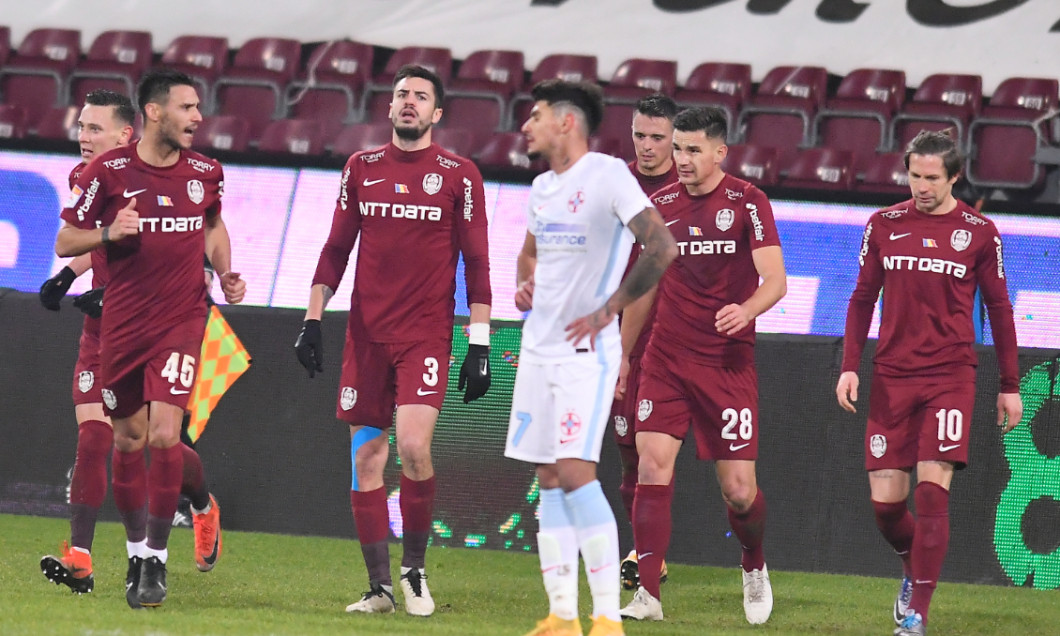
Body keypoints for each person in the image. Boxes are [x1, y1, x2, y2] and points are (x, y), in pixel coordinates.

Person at [294, 64, 492, 618]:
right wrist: (313, 319)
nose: (409, 102)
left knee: (412, 448)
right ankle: (380, 588)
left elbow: (477, 261)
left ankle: (415, 570)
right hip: (366, 337)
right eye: (401, 94)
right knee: (366, 462)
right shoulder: (361, 167)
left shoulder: (459, 174)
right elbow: (336, 249)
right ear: (388, 107)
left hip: (426, 335)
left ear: (437, 112)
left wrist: (479, 344)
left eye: (420, 96)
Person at [54, 69, 245, 609]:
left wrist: (225, 270)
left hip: (182, 321)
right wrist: (108, 234)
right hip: (120, 324)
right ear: (155, 112)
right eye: (187, 108)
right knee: (128, 439)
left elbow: (212, 224)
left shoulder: (206, 171)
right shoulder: (108, 172)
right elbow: (68, 237)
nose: (198, 118)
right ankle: (138, 551)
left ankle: (156, 561)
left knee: (165, 434)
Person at [506, 79, 678, 636]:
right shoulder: (540, 189)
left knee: (578, 472)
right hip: (538, 348)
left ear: (566, 122)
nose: (525, 126)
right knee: (549, 475)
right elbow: (527, 255)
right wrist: (524, 285)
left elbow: (662, 246)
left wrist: (612, 309)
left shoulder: (607, 175)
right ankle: (562, 614)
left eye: (534, 117)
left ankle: (607, 617)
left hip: (586, 352)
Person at [836, 130, 1022, 636]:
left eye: (931, 178)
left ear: (954, 176)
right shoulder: (883, 224)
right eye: (914, 175)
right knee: (886, 506)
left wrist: (1010, 383)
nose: (921, 185)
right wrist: (850, 364)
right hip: (893, 375)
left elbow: (1001, 310)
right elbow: (860, 300)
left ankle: (917, 612)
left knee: (932, 491)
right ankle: (911, 568)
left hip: (950, 375)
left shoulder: (979, 231)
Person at [619, 106, 786, 625]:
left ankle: (753, 564)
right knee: (651, 464)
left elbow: (776, 281)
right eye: (679, 148)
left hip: (726, 364)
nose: (682, 158)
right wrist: (625, 356)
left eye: (693, 149)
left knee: (738, 492)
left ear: (720, 152)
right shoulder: (659, 204)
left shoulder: (747, 201)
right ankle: (648, 594)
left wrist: (748, 309)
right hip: (666, 358)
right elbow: (644, 287)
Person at [612, 93, 680, 592]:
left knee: (651, 445)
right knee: (626, 449)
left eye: (659, 137)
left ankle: (644, 555)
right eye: (641, 135)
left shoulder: (691, 186)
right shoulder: (611, 181)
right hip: (611, 334)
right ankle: (642, 548)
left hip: (669, 339)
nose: (648, 146)